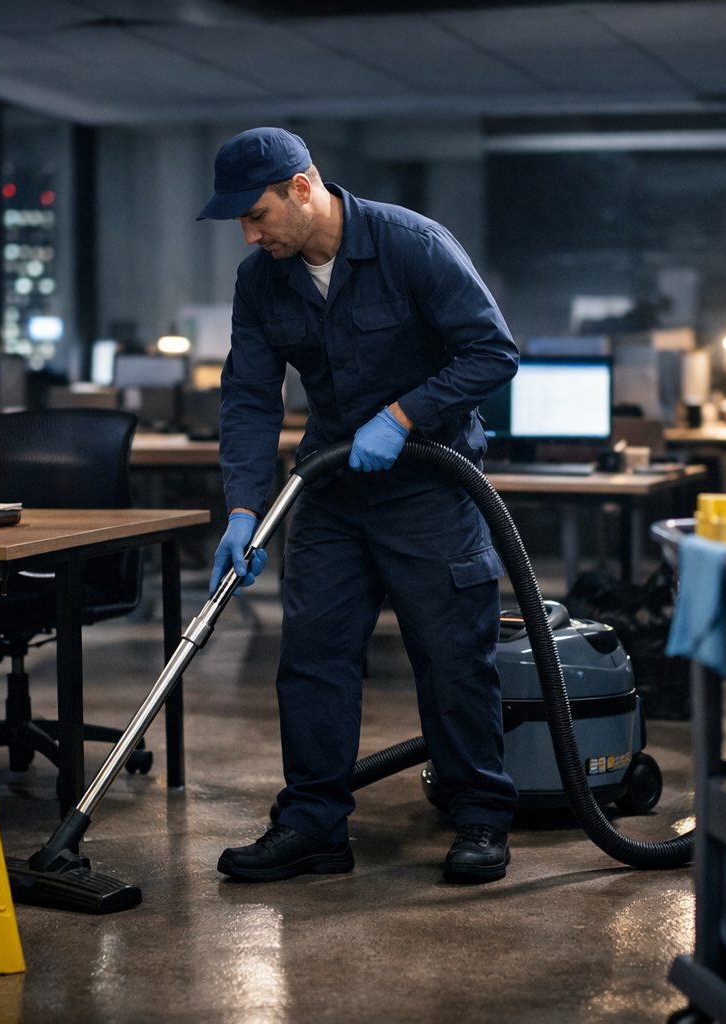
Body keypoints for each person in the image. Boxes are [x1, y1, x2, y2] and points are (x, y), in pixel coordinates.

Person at [198, 127, 520, 885]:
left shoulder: (412, 245)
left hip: (428, 488)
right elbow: (248, 396)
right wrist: (242, 507)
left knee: (449, 657)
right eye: (241, 222)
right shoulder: (262, 280)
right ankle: (313, 824)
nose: (249, 235)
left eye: (257, 215)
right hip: (333, 488)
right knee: (312, 656)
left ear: (302, 187)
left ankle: (478, 815)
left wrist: (405, 415)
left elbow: (493, 351)